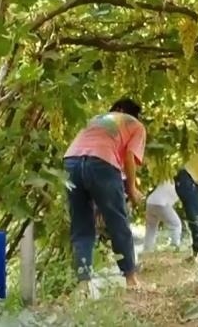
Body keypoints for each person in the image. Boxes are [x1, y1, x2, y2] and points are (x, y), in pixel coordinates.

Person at [63, 98, 146, 290]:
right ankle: (131, 280)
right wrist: (132, 189)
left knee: (81, 226)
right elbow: (129, 157)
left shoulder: (96, 119)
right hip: (102, 163)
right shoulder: (135, 125)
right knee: (118, 223)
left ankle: (83, 285)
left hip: (71, 162)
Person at [144, 177, 183, 251]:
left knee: (151, 229)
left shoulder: (168, 179)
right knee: (176, 224)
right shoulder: (182, 185)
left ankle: (147, 251)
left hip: (150, 202)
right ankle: (175, 248)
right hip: (161, 203)